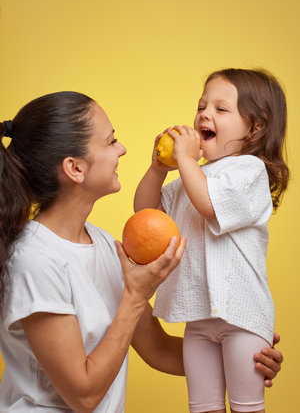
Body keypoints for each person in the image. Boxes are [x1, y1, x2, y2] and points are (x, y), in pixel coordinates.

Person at [0, 91, 282, 413]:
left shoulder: (104, 245)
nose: (122, 149)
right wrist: (135, 296)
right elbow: (84, 395)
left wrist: (244, 355)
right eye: (111, 141)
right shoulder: (34, 259)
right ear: (75, 168)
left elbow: (158, 349)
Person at [134, 69, 289, 413]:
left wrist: (186, 160)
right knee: (202, 407)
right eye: (202, 105)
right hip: (198, 317)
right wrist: (159, 168)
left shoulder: (249, 171)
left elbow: (209, 205)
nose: (204, 114)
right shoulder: (191, 179)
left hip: (242, 316)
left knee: (246, 407)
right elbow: (145, 213)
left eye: (221, 109)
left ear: (255, 127)